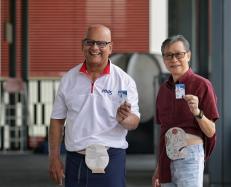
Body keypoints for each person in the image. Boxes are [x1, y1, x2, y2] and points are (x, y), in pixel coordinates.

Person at [48, 24, 141, 187]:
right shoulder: (69, 79)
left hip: (111, 158)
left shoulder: (124, 81)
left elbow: (134, 121)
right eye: (89, 42)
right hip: (76, 159)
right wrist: (54, 157)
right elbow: (57, 120)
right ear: (82, 46)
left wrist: (123, 119)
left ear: (110, 48)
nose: (95, 48)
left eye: (101, 43)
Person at [152, 35, 219, 187]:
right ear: (164, 59)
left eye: (179, 54)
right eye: (169, 55)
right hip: (166, 158)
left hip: (190, 155)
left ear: (188, 55)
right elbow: (163, 130)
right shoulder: (163, 90)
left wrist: (197, 112)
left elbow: (211, 131)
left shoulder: (202, 85)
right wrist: (158, 168)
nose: (174, 59)